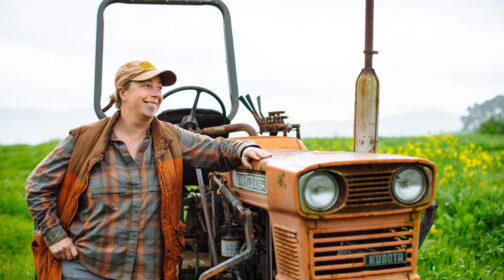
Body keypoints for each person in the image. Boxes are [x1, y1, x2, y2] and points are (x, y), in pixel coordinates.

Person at [26, 60, 271, 280]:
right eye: (146, 86)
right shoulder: (84, 140)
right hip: (89, 268)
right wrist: (55, 235)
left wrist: (243, 148)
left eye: (159, 88)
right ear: (122, 92)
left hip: (148, 271)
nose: (155, 94)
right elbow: (37, 185)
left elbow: (216, 150)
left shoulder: (171, 137)